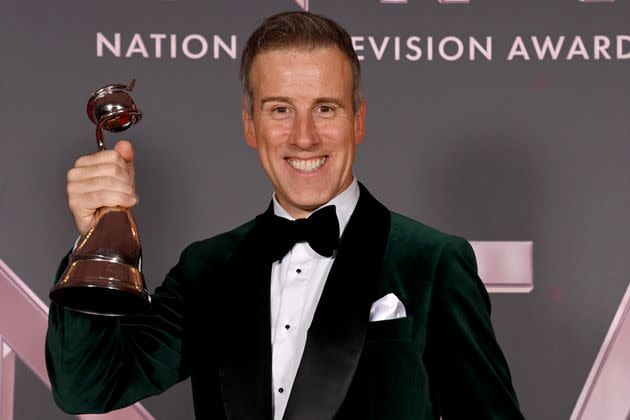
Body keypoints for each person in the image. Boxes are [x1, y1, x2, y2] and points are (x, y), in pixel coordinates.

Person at [46, 11, 525, 420]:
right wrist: (95, 241)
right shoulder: (206, 269)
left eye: (325, 108)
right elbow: (86, 387)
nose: (303, 137)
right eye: (280, 110)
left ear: (358, 120)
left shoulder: (433, 262)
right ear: (249, 125)